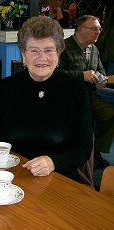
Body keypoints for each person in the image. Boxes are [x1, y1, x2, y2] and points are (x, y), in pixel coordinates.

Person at [0, 16, 93, 183]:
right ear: (23, 55)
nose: (41, 57)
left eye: (48, 50)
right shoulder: (7, 87)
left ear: (58, 54)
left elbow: (83, 148)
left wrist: (54, 162)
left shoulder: (75, 90)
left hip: (59, 176)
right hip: (11, 175)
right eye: (34, 50)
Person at [59, 15, 114, 166]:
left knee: (109, 114)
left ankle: (95, 151)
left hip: (90, 96)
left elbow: (101, 70)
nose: (98, 32)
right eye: (95, 29)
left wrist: (101, 81)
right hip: (68, 98)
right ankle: (78, 154)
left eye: (99, 29)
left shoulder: (94, 49)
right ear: (81, 29)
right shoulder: (63, 47)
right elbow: (56, 75)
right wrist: (81, 75)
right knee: (83, 122)